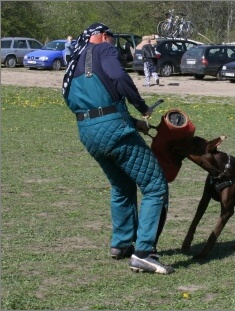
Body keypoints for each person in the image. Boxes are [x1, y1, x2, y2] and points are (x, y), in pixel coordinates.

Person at [62, 22, 173, 274]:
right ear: (102, 36)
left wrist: (132, 123)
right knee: (155, 186)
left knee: (122, 186)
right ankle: (144, 253)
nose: (114, 43)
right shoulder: (103, 50)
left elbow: (88, 104)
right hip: (114, 131)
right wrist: (142, 107)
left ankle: (121, 244)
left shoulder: (72, 62)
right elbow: (120, 77)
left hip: (88, 133)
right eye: (112, 38)